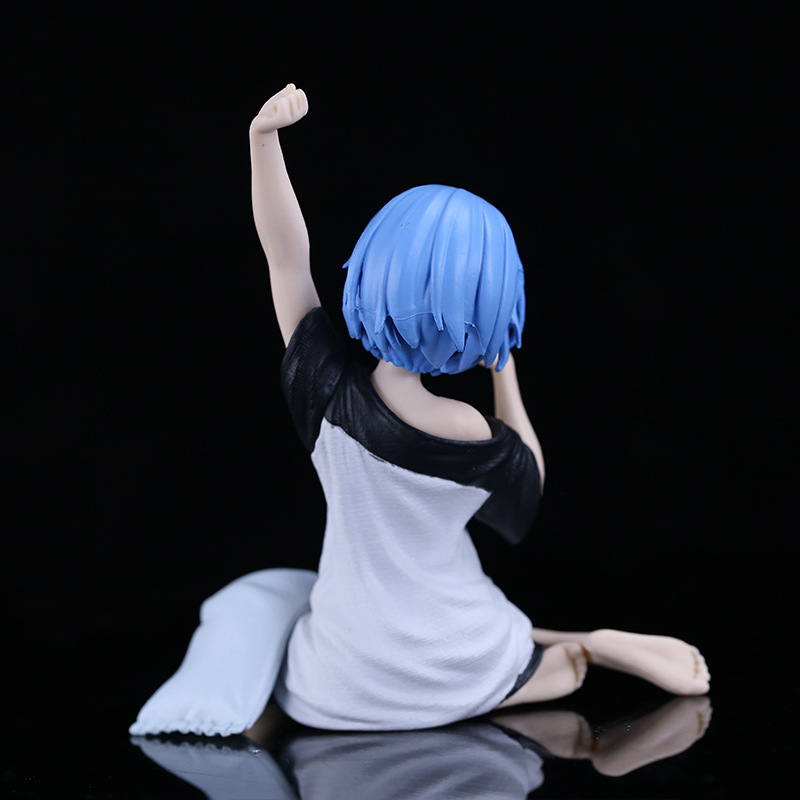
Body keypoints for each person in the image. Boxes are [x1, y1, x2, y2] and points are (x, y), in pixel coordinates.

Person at [129, 84, 710, 738]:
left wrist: (263, 141)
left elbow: (286, 257)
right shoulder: (465, 427)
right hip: (455, 654)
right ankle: (576, 649)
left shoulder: (327, 395)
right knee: (500, 640)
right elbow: (528, 476)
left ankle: (565, 651)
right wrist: (504, 366)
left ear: (369, 273)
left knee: (277, 621)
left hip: (343, 675)